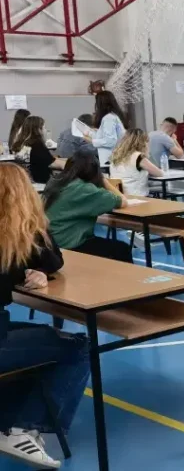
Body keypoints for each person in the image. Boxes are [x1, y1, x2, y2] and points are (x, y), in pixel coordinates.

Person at [0, 164, 89, 470]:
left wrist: (34, 270)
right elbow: (54, 258)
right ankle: (24, 428)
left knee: (28, 340)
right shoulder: (18, 238)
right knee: (78, 346)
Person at [44, 151, 131, 263]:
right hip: (70, 243)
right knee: (122, 249)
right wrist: (104, 181)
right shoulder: (87, 190)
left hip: (50, 242)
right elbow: (123, 201)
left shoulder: (54, 182)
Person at [109, 128, 164, 197]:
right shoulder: (138, 157)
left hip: (119, 196)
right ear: (142, 143)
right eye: (146, 141)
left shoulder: (115, 156)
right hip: (137, 197)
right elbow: (159, 173)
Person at [10, 116, 65, 184]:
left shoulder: (20, 144)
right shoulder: (37, 145)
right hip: (39, 183)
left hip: (24, 182)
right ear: (38, 129)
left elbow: (46, 159)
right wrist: (70, 164)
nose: (45, 130)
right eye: (44, 127)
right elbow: (52, 163)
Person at [84, 91, 127, 165]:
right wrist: (93, 133)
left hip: (111, 159)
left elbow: (110, 141)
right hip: (114, 157)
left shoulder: (109, 118)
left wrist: (91, 141)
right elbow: (107, 137)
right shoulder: (111, 116)